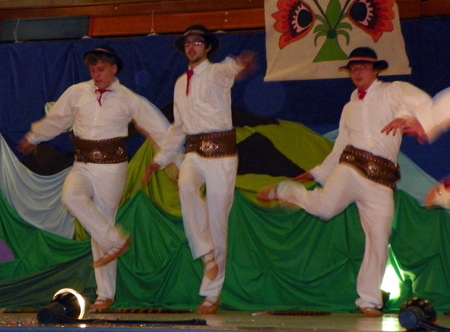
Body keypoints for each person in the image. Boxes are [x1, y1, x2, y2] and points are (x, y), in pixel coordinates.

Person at [257, 47, 432, 317]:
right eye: (353, 69)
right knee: (325, 209)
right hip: (350, 168)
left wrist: (405, 116)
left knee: (379, 238)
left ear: (376, 70)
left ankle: (369, 301)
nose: (357, 72)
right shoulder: (350, 107)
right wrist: (317, 173)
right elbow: (340, 146)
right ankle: (287, 190)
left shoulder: (392, 91)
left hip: (382, 180)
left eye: (362, 67)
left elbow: (415, 99)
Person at [18, 46, 172, 311]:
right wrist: (34, 137)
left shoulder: (128, 98)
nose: (96, 74)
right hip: (83, 163)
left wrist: (165, 159)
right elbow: (56, 119)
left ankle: (105, 294)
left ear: (114, 69)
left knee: (102, 221)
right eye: (92, 69)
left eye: (101, 69)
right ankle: (116, 240)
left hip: (112, 167)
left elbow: (160, 127)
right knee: (70, 197)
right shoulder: (77, 92)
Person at [143, 25, 256, 314]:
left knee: (218, 218)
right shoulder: (181, 82)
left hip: (222, 155)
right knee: (186, 186)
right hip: (194, 152)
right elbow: (178, 128)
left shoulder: (216, 72)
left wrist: (240, 64)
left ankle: (212, 294)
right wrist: (159, 160)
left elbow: (230, 70)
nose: (192, 47)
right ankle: (206, 254)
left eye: (197, 42)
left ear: (206, 47)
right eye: (188, 43)